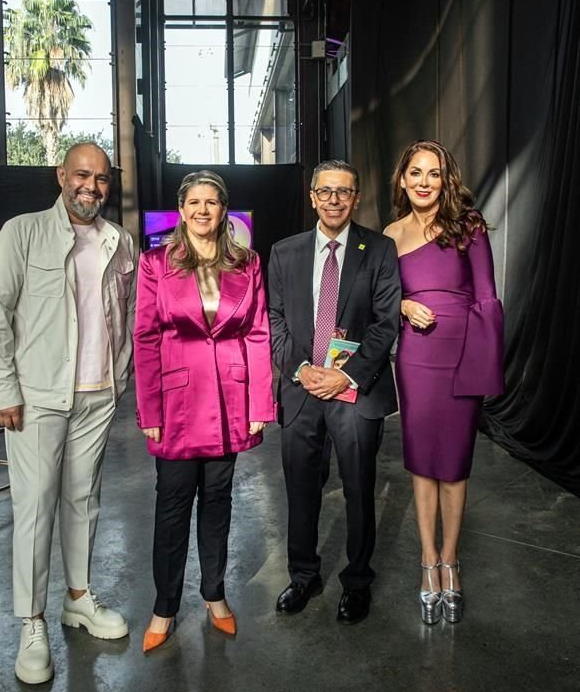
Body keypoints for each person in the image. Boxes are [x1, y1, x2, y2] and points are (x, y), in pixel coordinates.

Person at [0, 142, 136, 684]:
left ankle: (78, 599)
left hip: (97, 396)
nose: (91, 186)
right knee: (35, 508)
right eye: (82, 175)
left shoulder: (121, 243)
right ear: (61, 176)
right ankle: (32, 621)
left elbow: (126, 315)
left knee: (83, 502)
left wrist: (121, 379)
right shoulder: (21, 233)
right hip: (37, 398)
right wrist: (2, 390)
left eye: (101, 179)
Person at [134, 170, 276, 652]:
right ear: (181, 208)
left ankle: (215, 595)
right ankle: (165, 606)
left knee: (218, 501)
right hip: (175, 403)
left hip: (229, 401)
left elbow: (258, 333)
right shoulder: (156, 263)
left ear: (223, 209)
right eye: (193, 201)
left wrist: (260, 401)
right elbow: (146, 337)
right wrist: (148, 407)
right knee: (172, 506)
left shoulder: (247, 262)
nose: (202, 210)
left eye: (211, 202)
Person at [268, 160, 401, 625]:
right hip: (302, 390)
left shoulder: (380, 250)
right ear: (312, 196)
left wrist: (345, 376)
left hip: (354, 392)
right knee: (301, 489)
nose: (334, 199)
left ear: (357, 197)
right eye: (325, 191)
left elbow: (386, 323)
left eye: (344, 192)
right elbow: (276, 320)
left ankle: (357, 580)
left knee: (360, 490)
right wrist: (302, 369)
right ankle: (303, 575)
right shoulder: (285, 252)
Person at [384, 139, 504, 624]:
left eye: (433, 173)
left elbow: (488, 298)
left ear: (445, 179)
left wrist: (484, 366)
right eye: (415, 173)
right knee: (421, 465)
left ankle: (451, 562)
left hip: (462, 355)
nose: (424, 182)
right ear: (402, 179)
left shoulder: (467, 227)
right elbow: (378, 298)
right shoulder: (390, 234)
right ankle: (426, 562)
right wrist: (400, 305)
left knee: (454, 467)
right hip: (415, 358)